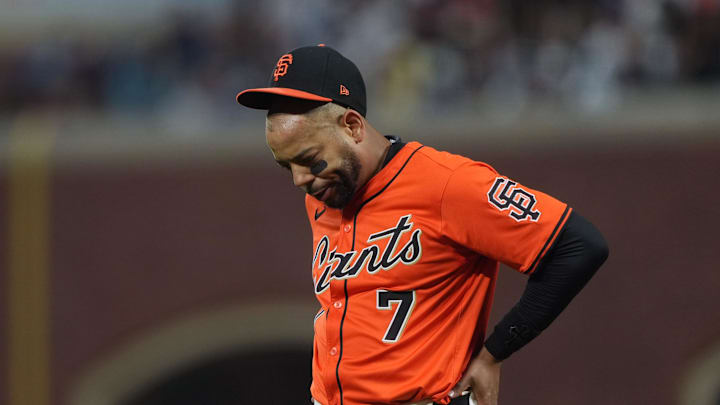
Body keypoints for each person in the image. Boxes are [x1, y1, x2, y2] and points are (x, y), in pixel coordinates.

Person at [236, 44, 608, 405]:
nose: (300, 179)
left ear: (352, 126)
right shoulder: (323, 196)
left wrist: (496, 352)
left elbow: (576, 245)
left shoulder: (447, 183)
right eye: (287, 166)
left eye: (310, 160)